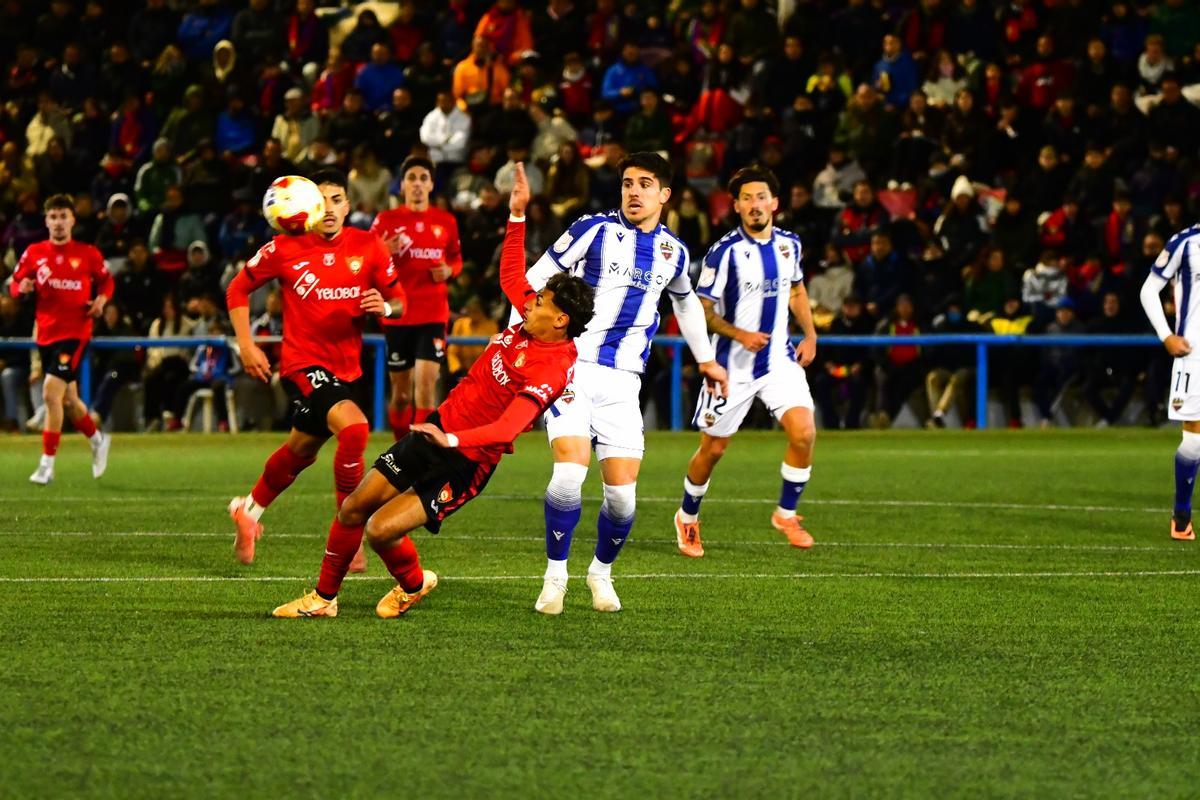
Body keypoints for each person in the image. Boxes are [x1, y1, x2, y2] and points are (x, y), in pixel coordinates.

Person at [270, 164, 594, 618]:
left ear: (560, 320)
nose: (529, 299)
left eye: (540, 300)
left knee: (381, 530)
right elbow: (509, 274)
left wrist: (454, 440)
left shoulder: (553, 366)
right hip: (436, 428)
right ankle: (325, 600)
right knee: (354, 508)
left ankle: (412, 584)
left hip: (465, 462)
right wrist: (516, 214)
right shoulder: (530, 321)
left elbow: (507, 428)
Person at [519, 152, 729, 615]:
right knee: (569, 473)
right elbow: (533, 281)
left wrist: (708, 360)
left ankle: (600, 573)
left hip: (623, 382)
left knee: (621, 498)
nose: (634, 192)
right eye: (628, 184)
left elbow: (686, 304)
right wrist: (520, 341)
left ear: (665, 195)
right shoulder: (591, 229)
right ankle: (555, 576)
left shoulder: (674, 251)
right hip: (571, 367)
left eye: (645, 184)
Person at [225, 169, 407, 566]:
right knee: (356, 429)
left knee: (300, 452)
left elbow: (399, 301)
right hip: (303, 365)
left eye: (337, 199)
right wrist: (246, 345)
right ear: (307, 206)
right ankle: (349, 536)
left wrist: (386, 307)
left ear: (348, 205)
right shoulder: (284, 248)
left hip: (348, 370)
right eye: (320, 200)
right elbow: (237, 288)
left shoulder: (370, 246)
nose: (329, 208)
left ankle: (249, 511)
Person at [671, 167, 819, 558]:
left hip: (778, 361)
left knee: (804, 433)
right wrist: (740, 335)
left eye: (761, 197)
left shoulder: (790, 245)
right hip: (731, 366)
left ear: (775, 203)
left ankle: (786, 514)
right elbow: (702, 309)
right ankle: (687, 517)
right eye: (747, 198)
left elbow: (798, 291)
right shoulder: (724, 252)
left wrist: (811, 334)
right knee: (713, 450)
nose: (755, 205)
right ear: (736, 206)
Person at [9, 194, 113, 485]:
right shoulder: (34, 253)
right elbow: (14, 284)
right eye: (53, 217)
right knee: (69, 400)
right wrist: (22, 288)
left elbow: (107, 280)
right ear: (46, 221)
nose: (58, 222)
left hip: (75, 333)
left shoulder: (88, 253)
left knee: (50, 394)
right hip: (45, 334)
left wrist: (102, 300)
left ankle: (46, 465)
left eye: (62, 216)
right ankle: (97, 440)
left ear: (72, 220)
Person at [369, 156, 463, 440]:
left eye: (424, 178)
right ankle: (400, 448)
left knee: (425, 388)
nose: (418, 184)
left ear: (432, 184)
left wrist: (449, 270)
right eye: (412, 178)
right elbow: (364, 260)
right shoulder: (386, 221)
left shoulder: (445, 221)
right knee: (400, 395)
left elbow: (456, 260)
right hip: (398, 315)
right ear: (402, 184)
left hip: (433, 314)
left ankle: (417, 455)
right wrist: (383, 248)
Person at [1139, 222, 1200, 540]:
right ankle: (1181, 516)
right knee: (1194, 439)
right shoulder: (1186, 243)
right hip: (1194, 355)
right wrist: (1166, 337)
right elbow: (1148, 290)